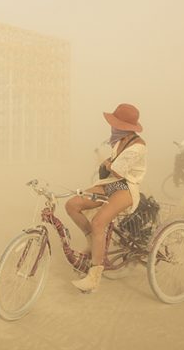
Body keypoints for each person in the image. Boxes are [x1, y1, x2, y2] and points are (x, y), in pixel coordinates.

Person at [65, 103, 147, 293]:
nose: (113, 127)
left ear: (126, 126)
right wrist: (109, 164)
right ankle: (92, 242)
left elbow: (118, 171)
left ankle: (94, 277)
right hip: (110, 183)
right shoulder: (119, 140)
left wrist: (108, 164)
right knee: (73, 204)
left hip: (125, 187)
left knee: (98, 222)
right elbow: (112, 167)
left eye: (116, 123)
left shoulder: (138, 147)